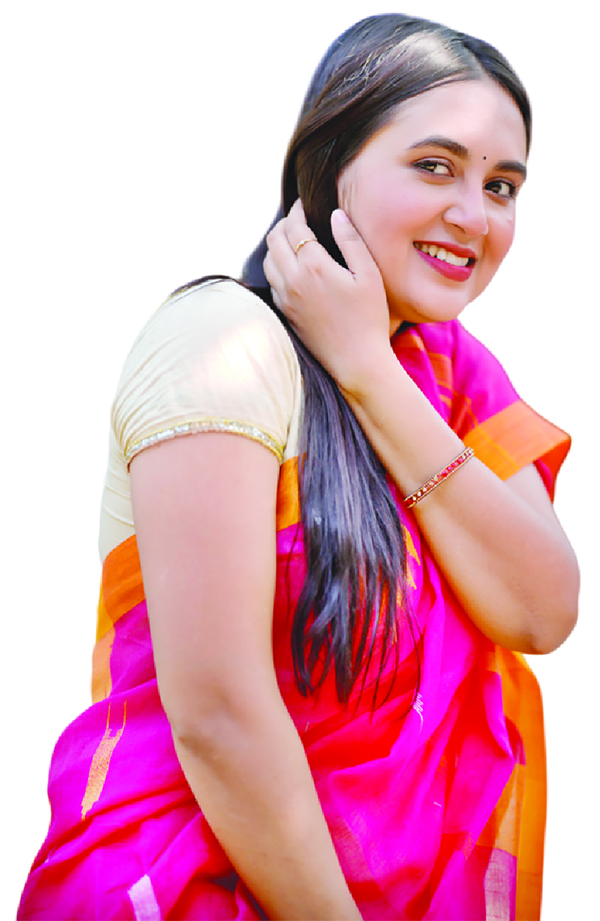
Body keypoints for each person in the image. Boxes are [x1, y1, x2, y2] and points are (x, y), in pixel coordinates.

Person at [18, 12, 578, 921]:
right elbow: (219, 715)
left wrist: (368, 370)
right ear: (330, 159)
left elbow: (541, 609)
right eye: (434, 166)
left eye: (502, 184)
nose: (475, 216)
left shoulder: (453, 379)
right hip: (184, 886)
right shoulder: (222, 344)